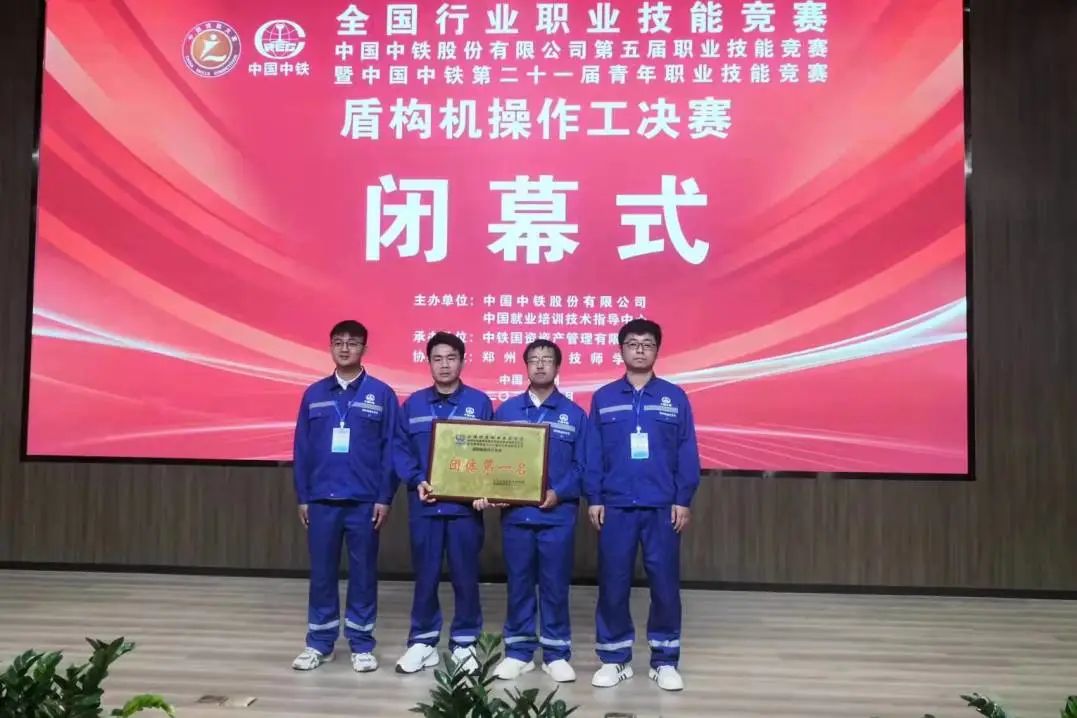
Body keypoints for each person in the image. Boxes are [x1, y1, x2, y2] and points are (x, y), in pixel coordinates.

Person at [585, 319, 700, 692]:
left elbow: (686, 450)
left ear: (657, 350)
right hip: (616, 505)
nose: (639, 349)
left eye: (647, 343)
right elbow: (593, 453)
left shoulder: (674, 397)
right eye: (632, 343)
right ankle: (614, 659)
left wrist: (683, 499)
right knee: (613, 583)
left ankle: (664, 660)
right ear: (621, 350)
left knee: (664, 585)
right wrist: (595, 497)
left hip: (661, 506)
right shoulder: (604, 397)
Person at [473, 340, 586, 684]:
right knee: (519, 584)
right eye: (534, 360)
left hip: (557, 517)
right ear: (525, 366)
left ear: (557, 367)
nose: (540, 365)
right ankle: (519, 652)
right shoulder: (507, 411)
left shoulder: (574, 415)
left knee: (555, 585)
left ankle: (555, 653)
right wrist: (490, 491)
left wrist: (558, 492)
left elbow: (583, 465)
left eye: (546, 360)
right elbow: (490, 460)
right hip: (517, 518)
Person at [291, 320, 398, 673]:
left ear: (364, 349)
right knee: (322, 573)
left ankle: (362, 644)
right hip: (322, 499)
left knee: (363, 573)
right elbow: (302, 448)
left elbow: (391, 450)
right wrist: (303, 496)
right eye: (338, 342)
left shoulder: (382, 394)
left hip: (364, 501)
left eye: (352, 343)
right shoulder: (314, 393)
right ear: (330, 347)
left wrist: (385, 496)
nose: (345, 348)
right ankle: (319, 643)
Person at [394, 332, 493, 674]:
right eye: (438, 358)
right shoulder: (414, 405)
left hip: (465, 511)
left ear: (462, 361)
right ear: (429, 363)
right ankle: (423, 642)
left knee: (466, 577)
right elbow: (400, 449)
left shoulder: (479, 403)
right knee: (426, 576)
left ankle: (465, 642)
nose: (445, 364)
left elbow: (492, 452)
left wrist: (484, 488)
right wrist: (416, 479)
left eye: (451, 358)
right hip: (425, 506)